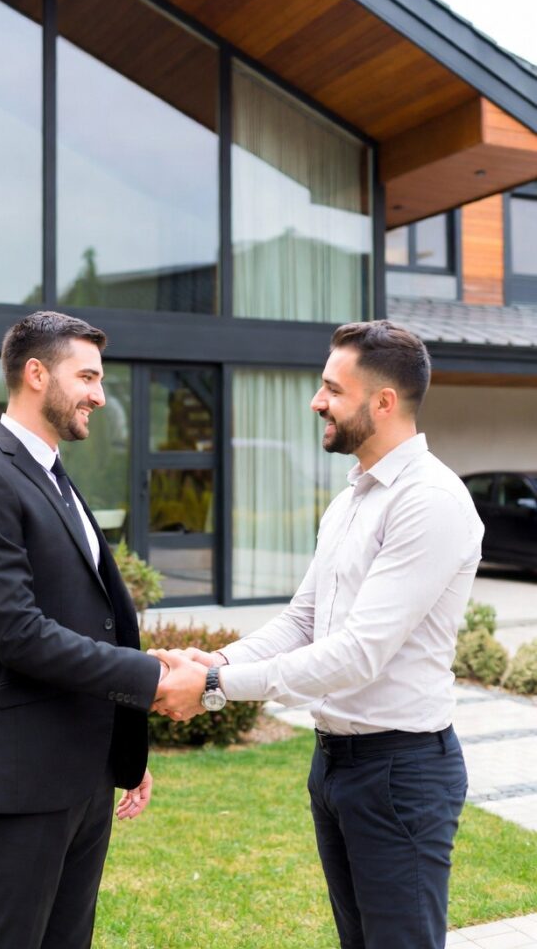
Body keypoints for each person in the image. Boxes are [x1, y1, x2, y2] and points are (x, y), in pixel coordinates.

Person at [152, 320, 484, 949]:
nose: (316, 401)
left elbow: (359, 653)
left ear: (383, 402)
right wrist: (215, 657)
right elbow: (303, 622)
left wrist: (216, 685)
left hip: (399, 773)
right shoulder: (353, 498)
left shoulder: (429, 500)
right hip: (336, 766)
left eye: (332, 388)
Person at [0, 311, 163, 949]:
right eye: (86, 376)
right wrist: (151, 680)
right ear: (36, 374)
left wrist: (125, 744)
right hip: (22, 777)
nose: (99, 393)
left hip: (84, 773)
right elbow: (20, 635)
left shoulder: (54, 475)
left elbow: (93, 616)